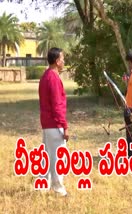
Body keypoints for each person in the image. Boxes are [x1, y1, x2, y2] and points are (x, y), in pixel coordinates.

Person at [39, 47, 68, 196]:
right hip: (54, 123)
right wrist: (65, 127)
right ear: (57, 61)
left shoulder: (45, 76)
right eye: (62, 58)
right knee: (58, 158)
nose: (64, 61)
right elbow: (57, 106)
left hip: (46, 123)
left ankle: (43, 184)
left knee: (48, 156)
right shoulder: (54, 78)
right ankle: (59, 189)